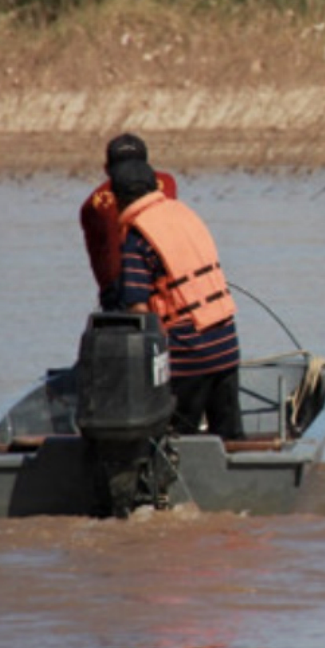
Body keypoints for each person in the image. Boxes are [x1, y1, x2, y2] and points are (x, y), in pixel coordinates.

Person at [111, 159, 243, 440]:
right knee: (230, 438)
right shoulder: (185, 213)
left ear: (119, 199)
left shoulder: (138, 236)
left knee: (178, 441)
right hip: (227, 345)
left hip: (188, 356)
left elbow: (138, 308)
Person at [80, 133, 178, 310]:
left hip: (119, 291)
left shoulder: (92, 205)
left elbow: (99, 263)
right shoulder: (167, 183)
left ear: (107, 169)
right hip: (166, 282)